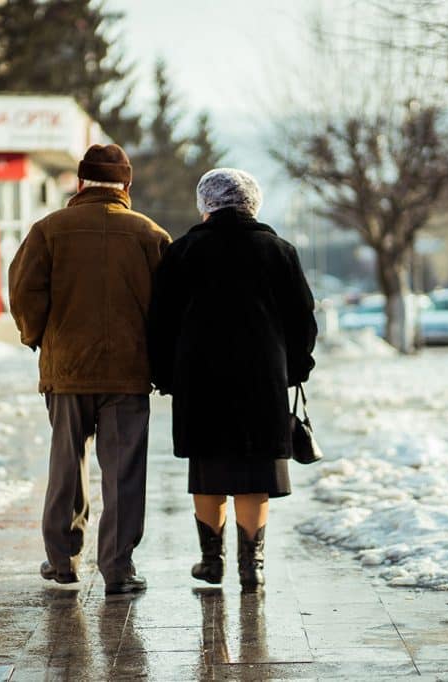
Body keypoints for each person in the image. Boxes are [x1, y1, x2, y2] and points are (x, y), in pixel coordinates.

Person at [8, 144, 171, 595]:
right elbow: (169, 307)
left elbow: (23, 292)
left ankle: (62, 560)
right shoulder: (150, 234)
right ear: (127, 185)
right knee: (123, 472)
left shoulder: (48, 230)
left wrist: (39, 337)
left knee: (66, 462)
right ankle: (117, 568)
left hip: (68, 371)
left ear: (79, 183)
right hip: (128, 373)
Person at [147, 168, 318, 591]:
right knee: (256, 470)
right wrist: (296, 368)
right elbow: (302, 320)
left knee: (208, 469)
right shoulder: (278, 250)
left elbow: (159, 323)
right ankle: (252, 566)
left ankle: (212, 562)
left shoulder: (183, 251)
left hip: (200, 381)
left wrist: (166, 376)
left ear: (206, 204)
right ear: (252, 202)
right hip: (262, 380)